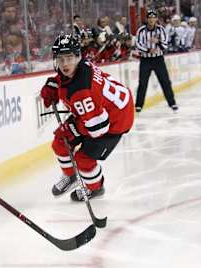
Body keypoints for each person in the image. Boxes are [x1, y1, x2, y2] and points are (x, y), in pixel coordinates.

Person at [39, 33, 134, 202]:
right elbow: (65, 79)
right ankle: (72, 176)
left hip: (115, 119)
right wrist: (55, 84)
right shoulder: (78, 67)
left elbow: (99, 128)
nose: (65, 64)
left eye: (69, 58)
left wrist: (73, 129)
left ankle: (95, 188)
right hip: (99, 111)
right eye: (60, 59)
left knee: (83, 159)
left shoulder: (82, 91)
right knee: (60, 143)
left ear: (77, 56)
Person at [135, 9, 177, 113]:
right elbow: (138, 45)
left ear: (156, 19)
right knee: (142, 83)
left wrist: (157, 42)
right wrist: (148, 50)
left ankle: (172, 103)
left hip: (158, 59)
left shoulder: (161, 30)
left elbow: (165, 45)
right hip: (145, 60)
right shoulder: (141, 31)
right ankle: (139, 105)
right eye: (150, 18)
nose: (151, 20)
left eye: (153, 18)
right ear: (147, 19)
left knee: (165, 81)